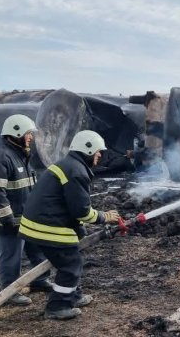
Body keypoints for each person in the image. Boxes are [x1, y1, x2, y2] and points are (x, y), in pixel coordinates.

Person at [19, 130, 121, 320]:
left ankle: (72, 295)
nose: (100, 155)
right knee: (71, 265)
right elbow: (81, 211)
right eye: (98, 151)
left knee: (69, 259)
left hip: (37, 224)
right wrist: (104, 216)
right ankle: (58, 306)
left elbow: (66, 205)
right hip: (47, 228)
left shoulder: (70, 165)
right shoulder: (77, 172)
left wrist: (79, 230)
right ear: (88, 150)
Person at [0, 114, 51, 306]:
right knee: (10, 257)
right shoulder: (2, 157)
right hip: (11, 221)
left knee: (37, 250)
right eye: (28, 133)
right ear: (16, 133)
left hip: (27, 218)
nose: (31, 137)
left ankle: (39, 281)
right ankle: (9, 292)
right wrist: (8, 219)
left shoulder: (21, 156)